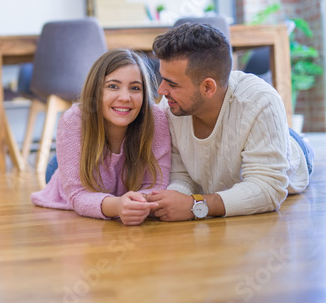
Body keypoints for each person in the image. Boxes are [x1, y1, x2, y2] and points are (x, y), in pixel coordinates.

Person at [147, 23, 313, 221]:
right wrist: (168, 201)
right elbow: (182, 175)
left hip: (292, 151)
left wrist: (195, 205)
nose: (161, 91)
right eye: (163, 79)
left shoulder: (260, 100)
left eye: (172, 84)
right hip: (238, 147)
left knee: (279, 136)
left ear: (208, 87)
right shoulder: (171, 108)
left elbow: (268, 189)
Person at [31, 49, 171, 225]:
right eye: (113, 86)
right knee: (58, 169)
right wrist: (118, 205)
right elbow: (78, 194)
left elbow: (158, 184)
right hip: (74, 168)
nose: (125, 97)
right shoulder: (74, 120)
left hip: (116, 178)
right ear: (96, 91)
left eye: (135, 88)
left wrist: (139, 202)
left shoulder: (156, 118)